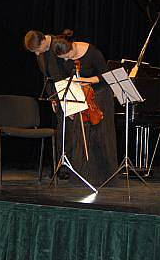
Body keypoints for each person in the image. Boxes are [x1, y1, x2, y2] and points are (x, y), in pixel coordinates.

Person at [52, 31, 118, 186]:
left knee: (100, 136)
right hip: (80, 97)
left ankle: (103, 177)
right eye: (64, 59)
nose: (67, 60)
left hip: (100, 96)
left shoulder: (93, 53)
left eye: (68, 56)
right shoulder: (63, 56)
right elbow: (63, 80)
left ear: (73, 45)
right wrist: (67, 106)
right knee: (79, 137)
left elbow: (106, 76)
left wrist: (86, 80)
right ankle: (84, 175)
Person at [24, 30, 74, 179]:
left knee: (71, 131)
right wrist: (52, 97)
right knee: (62, 132)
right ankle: (61, 166)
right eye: (34, 52)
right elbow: (46, 77)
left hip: (70, 92)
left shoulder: (58, 44)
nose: (37, 54)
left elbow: (69, 70)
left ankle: (70, 168)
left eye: (37, 50)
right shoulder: (39, 53)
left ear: (43, 41)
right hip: (56, 96)